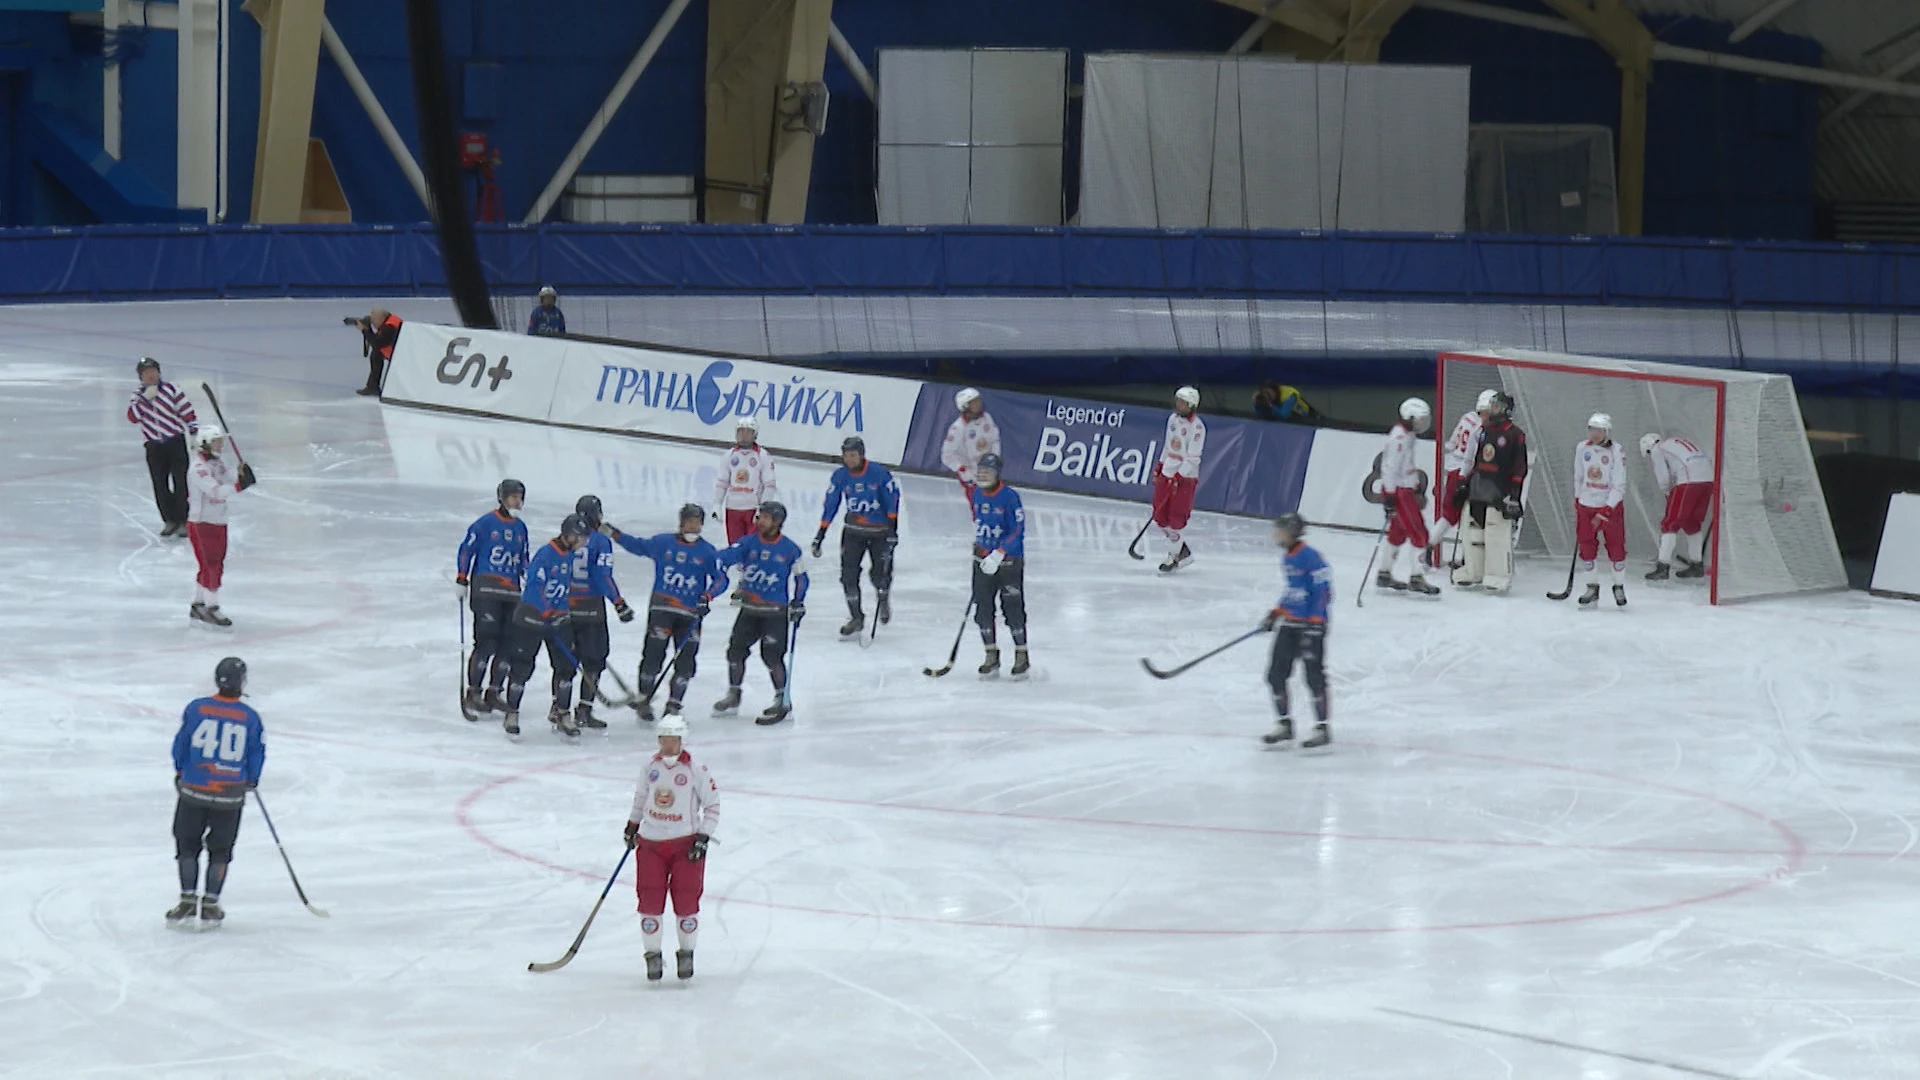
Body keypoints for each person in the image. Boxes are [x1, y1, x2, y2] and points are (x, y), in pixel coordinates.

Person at [167, 657, 265, 927]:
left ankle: (187, 900)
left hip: (193, 790)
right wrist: (252, 780)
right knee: (220, 850)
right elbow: (256, 754)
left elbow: (181, 744)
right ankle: (210, 904)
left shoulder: (197, 708)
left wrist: (180, 772)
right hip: (229, 795)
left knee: (187, 846)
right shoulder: (250, 717)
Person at [608, 504, 727, 720]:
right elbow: (637, 545)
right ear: (681, 523)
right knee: (652, 656)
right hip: (662, 609)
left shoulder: (708, 552)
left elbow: (722, 579)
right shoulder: (663, 543)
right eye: (689, 521)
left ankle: (674, 703)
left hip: (690, 614)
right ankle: (644, 699)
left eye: (697, 521)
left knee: (686, 660)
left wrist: (708, 596)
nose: (693, 525)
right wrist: (615, 534)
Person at [623, 715, 719, 982]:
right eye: (664, 740)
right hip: (650, 844)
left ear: (682, 741)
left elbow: (712, 805)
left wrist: (703, 836)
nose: (668, 746)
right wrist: (632, 825)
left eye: (673, 740)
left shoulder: (696, 770)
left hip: (685, 845)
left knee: (687, 899)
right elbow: (641, 798)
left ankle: (686, 953)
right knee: (649, 898)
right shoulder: (649, 767)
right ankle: (652, 955)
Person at [714, 502, 809, 725]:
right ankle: (734, 694)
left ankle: (782, 699)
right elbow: (726, 556)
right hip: (749, 610)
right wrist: (715, 561)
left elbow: (802, 578)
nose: (760, 521)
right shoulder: (748, 543)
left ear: (777, 522)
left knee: (772, 656)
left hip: (775, 613)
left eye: (765, 518)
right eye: (760, 517)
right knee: (735, 652)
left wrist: (798, 601)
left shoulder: (790, 549)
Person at [501, 514, 592, 737]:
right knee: (522, 667)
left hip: (558, 619)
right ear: (569, 535)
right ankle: (512, 712)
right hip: (531, 619)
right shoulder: (545, 554)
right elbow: (534, 587)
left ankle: (562, 712)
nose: (584, 542)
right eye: (581, 537)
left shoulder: (570, 555)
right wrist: (547, 611)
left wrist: (560, 613)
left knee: (566, 668)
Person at [812, 436, 901, 637]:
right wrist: (820, 534)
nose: (849, 460)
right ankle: (856, 617)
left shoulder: (879, 473)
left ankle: (883, 596)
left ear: (861, 455)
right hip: (853, 533)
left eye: (853, 455)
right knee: (848, 577)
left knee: (879, 575)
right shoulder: (839, 476)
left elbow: (892, 500)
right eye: (846, 456)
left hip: (879, 533)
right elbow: (831, 504)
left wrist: (893, 530)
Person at [457, 480, 530, 720]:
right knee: (486, 642)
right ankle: (474, 691)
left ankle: (494, 692)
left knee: (508, 645)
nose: (517, 501)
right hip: (486, 591)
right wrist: (462, 578)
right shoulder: (485, 523)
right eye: (513, 497)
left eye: (520, 497)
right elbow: (466, 549)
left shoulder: (521, 528)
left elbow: (524, 561)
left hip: (512, 593)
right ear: (502, 497)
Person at [1260, 513, 1332, 751]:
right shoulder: (1288, 559)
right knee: (1275, 675)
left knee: (1314, 676)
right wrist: (1277, 612)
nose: (1276, 534)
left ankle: (1322, 727)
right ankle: (1284, 724)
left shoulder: (1311, 557)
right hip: (1290, 625)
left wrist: (1315, 622)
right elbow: (1293, 591)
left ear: (1291, 532)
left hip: (1311, 627)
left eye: (1279, 530)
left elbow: (1323, 591)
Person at [565, 495, 634, 729]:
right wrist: (619, 603)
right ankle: (584, 710)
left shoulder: (567, 537)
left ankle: (559, 708)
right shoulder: (601, 542)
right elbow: (602, 575)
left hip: (565, 607)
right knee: (593, 662)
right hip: (591, 608)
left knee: (565, 663)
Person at [1449, 390, 1528, 594]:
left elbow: (1520, 467)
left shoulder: (1515, 434)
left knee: (1496, 535)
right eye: (1491, 406)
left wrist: (1515, 496)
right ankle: (1473, 571)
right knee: (1474, 531)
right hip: (1478, 488)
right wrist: (1462, 482)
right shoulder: (1482, 430)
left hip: (1500, 491)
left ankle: (1497, 576)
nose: (1492, 410)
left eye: (1496, 406)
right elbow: (1473, 458)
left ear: (1507, 410)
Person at [186, 423, 257, 627]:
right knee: (212, 565)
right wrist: (238, 486)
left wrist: (242, 473)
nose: (220, 445)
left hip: (218, 520)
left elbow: (229, 478)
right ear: (205, 443)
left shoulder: (217, 462)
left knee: (211, 564)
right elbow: (215, 491)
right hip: (202, 523)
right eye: (217, 441)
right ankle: (212, 608)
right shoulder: (198, 469)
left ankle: (199, 603)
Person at [969, 453, 1030, 678]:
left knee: (1012, 609)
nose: (983, 474)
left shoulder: (1010, 497)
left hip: (1008, 563)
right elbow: (980, 522)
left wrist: (1000, 553)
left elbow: (1017, 531)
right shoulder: (976, 493)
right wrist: (979, 548)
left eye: (988, 471)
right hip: (983, 563)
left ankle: (1021, 653)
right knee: (983, 609)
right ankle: (990, 654)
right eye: (981, 470)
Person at [126, 357, 198, 538]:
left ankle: (183, 520)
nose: (150, 376)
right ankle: (169, 520)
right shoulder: (137, 396)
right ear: (140, 376)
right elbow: (133, 417)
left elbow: (186, 411)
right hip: (154, 447)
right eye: (146, 373)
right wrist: (145, 400)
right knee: (160, 484)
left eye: (153, 372)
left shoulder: (172, 390)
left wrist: (194, 432)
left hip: (175, 442)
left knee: (180, 482)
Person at [1375, 397, 1439, 596]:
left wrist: (1417, 487)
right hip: (1401, 493)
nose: (1422, 424)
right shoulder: (1399, 439)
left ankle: (1384, 573)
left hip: (1406, 489)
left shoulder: (1409, 435)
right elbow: (1390, 468)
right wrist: (1390, 495)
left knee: (1397, 533)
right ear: (1408, 417)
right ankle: (1417, 577)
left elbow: (1407, 466)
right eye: (1419, 420)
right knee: (1419, 532)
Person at [711, 418, 779, 600]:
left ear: (755, 434)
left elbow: (769, 484)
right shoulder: (729, 456)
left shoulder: (763, 456)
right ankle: (744, 580)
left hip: (752, 510)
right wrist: (717, 504)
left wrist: (762, 509)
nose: (743, 435)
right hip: (732, 509)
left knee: (753, 547)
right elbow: (722, 481)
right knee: (736, 548)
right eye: (740, 431)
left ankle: (751, 584)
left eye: (747, 431)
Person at [1573, 413, 1629, 607]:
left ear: (1606, 431)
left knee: (1616, 547)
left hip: (1609, 507)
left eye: (1599, 430)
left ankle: (1618, 586)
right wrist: (1578, 499)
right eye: (1592, 429)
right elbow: (1578, 476)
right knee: (1586, 547)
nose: (1594, 434)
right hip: (1586, 505)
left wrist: (1607, 509)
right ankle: (1592, 587)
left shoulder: (1616, 450)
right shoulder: (1582, 448)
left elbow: (1619, 484)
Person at [1641, 432, 1715, 581]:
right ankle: (1696, 564)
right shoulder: (1676, 442)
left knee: (1670, 523)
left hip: (1689, 481)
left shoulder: (1657, 449)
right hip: (1708, 481)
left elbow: (1663, 478)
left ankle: (1663, 566)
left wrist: (1668, 492)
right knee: (1692, 523)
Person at [1430, 391, 1492, 569]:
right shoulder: (1484, 428)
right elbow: (1473, 457)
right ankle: (1467, 559)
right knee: (1472, 517)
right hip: (1468, 472)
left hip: (1452, 469)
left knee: (1450, 515)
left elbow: (1450, 444)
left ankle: (1427, 547)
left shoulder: (1467, 417)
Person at [1152, 386, 1206, 573]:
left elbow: (1193, 457)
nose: (1178, 404)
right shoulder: (1172, 419)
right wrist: (1160, 466)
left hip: (1185, 478)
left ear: (1191, 405)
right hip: (1168, 472)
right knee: (1159, 516)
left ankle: (1174, 555)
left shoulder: (1197, 427)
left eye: (1182, 402)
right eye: (1177, 400)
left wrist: (1179, 475)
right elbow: (1168, 446)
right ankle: (1181, 550)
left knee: (1175, 519)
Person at [941, 388, 1002, 504]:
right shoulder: (958, 428)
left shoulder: (987, 418)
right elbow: (946, 456)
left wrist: (995, 459)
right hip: (971, 475)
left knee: (997, 502)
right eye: (974, 402)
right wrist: (963, 470)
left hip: (989, 470)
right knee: (979, 505)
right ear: (965, 406)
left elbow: (995, 439)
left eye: (978, 400)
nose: (979, 404)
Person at [347, 307, 404, 396]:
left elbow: (377, 343)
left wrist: (365, 330)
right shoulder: (391, 320)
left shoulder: (389, 327)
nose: (373, 323)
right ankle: (372, 386)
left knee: (377, 352)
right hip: (399, 350)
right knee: (376, 354)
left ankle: (373, 387)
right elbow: (378, 340)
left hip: (401, 354)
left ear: (380, 318)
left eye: (373, 320)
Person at [1252, 381, 1320, 423]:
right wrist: (1257, 405)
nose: (1268, 396)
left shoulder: (1289, 395)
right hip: (1292, 420)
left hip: (1308, 419)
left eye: (1268, 393)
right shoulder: (1270, 401)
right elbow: (1262, 417)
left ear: (1274, 390)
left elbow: (1284, 415)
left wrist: (1271, 406)